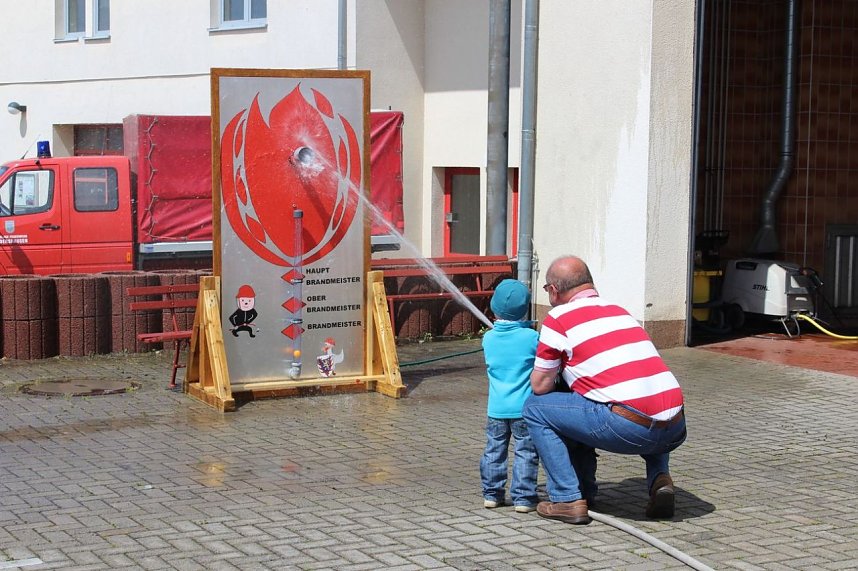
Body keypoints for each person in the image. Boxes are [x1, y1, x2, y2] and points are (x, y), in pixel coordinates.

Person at [523, 255, 686, 525]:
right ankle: (660, 479)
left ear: (553, 290)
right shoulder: (620, 311)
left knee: (534, 409)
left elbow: (541, 386)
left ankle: (566, 499)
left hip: (627, 428)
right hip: (675, 427)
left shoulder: (558, 318)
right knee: (650, 399)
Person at [480, 279, 540, 513]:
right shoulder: (531, 338)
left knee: (494, 450)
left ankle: (492, 494)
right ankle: (524, 498)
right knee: (526, 451)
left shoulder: (489, 338)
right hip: (523, 408)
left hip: (496, 408)